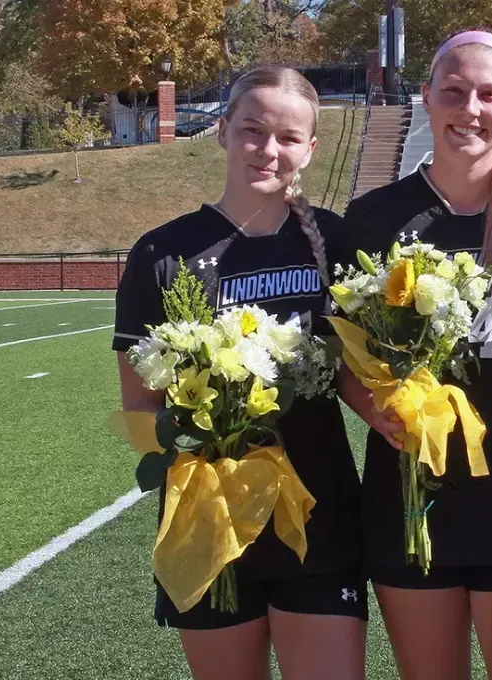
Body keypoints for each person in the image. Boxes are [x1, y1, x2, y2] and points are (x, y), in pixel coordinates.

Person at [337, 30, 492, 680]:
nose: (469, 108)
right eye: (453, 91)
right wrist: (374, 409)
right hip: (412, 501)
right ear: (426, 98)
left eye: (487, 94)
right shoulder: (373, 217)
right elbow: (341, 351)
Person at [113, 65, 366, 680]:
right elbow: (140, 409)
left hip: (316, 510)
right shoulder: (162, 252)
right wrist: (214, 446)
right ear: (223, 132)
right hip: (209, 521)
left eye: (287, 137)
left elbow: (363, 371)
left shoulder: (336, 243)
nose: (268, 149)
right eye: (252, 130)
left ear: (310, 148)